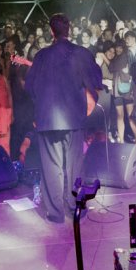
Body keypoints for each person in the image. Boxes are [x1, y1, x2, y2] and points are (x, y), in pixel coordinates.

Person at [23, 13, 102, 225]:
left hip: (47, 119)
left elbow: (29, 87)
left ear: (51, 31)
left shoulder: (41, 56)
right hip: (73, 119)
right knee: (74, 165)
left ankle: (55, 213)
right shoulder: (81, 53)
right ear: (70, 30)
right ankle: (74, 206)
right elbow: (97, 80)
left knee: (51, 166)